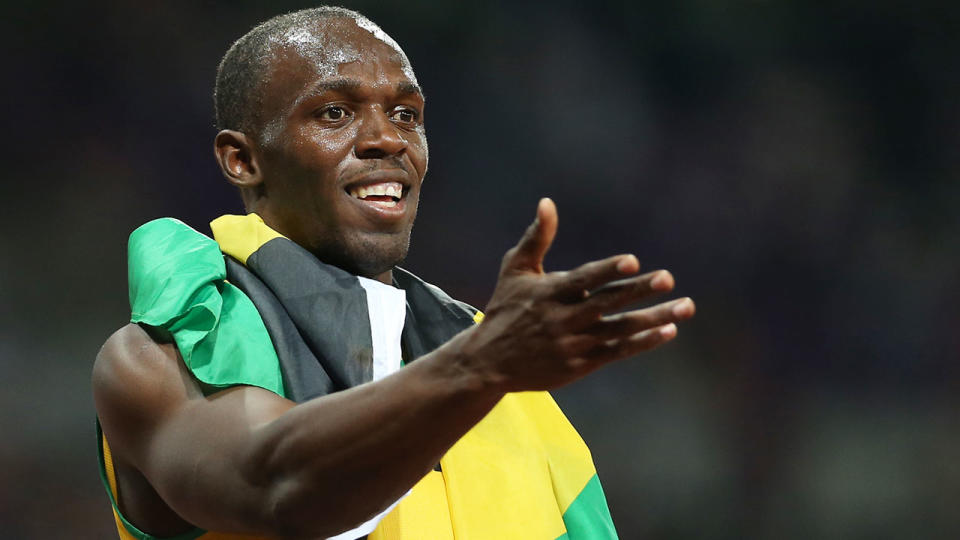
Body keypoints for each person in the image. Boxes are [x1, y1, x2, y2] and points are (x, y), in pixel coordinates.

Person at [92, 6, 695, 540]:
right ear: (243, 159)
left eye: (407, 115)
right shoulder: (153, 363)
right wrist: (480, 366)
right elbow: (280, 488)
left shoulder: (512, 386)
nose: (387, 139)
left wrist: (486, 363)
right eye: (334, 112)